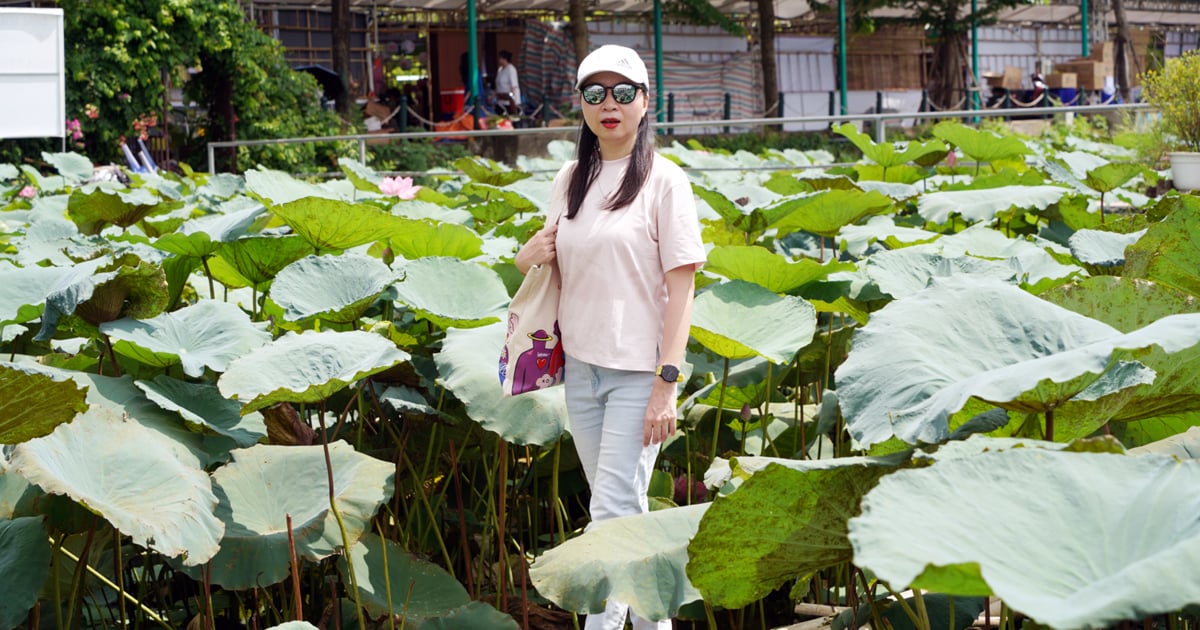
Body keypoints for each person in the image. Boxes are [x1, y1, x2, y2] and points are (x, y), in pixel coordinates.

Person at [514, 44, 705, 630]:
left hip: (637, 373)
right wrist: (526, 257)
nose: (609, 105)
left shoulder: (665, 182)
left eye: (623, 92)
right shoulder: (571, 177)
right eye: (594, 94)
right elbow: (550, 265)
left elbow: (682, 289)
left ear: (645, 102)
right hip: (582, 369)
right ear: (583, 106)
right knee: (626, 514)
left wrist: (665, 386)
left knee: (610, 512)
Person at [494, 49, 522, 115]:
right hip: (501, 99)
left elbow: (513, 86)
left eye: (500, 58)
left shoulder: (511, 69)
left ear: (504, 59)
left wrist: (511, 97)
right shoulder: (500, 69)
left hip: (509, 100)